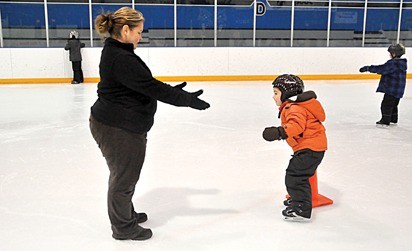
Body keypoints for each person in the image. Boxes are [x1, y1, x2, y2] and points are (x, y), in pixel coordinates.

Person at [89, 7, 210, 241]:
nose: (140, 37)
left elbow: (139, 85)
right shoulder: (121, 57)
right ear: (125, 30)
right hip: (117, 127)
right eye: (138, 32)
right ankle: (123, 227)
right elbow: (151, 87)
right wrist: (185, 100)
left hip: (121, 123)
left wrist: (172, 92)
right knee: (123, 178)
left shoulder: (117, 52)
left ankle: (126, 213)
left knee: (126, 174)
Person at [262, 74, 327, 222]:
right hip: (311, 147)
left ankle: (301, 209)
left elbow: (296, 126)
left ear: (287, 94)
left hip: (310, 149)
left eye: (276, 93)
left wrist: (279, 132)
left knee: (295, 176)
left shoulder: (294, 108)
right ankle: (299, 199)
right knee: (297, 175)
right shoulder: (295, 107)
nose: (273, 97)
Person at [359, 43, 407, 127]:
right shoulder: (402, 63)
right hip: (398, 89)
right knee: (394, 105)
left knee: (386, 105)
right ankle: (393, 119)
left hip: (391, 89)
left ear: (394, 54)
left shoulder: (393, 63)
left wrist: (368, 68)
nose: (389, 55)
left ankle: (385, 121)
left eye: (391, 53)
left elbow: (381, 69)